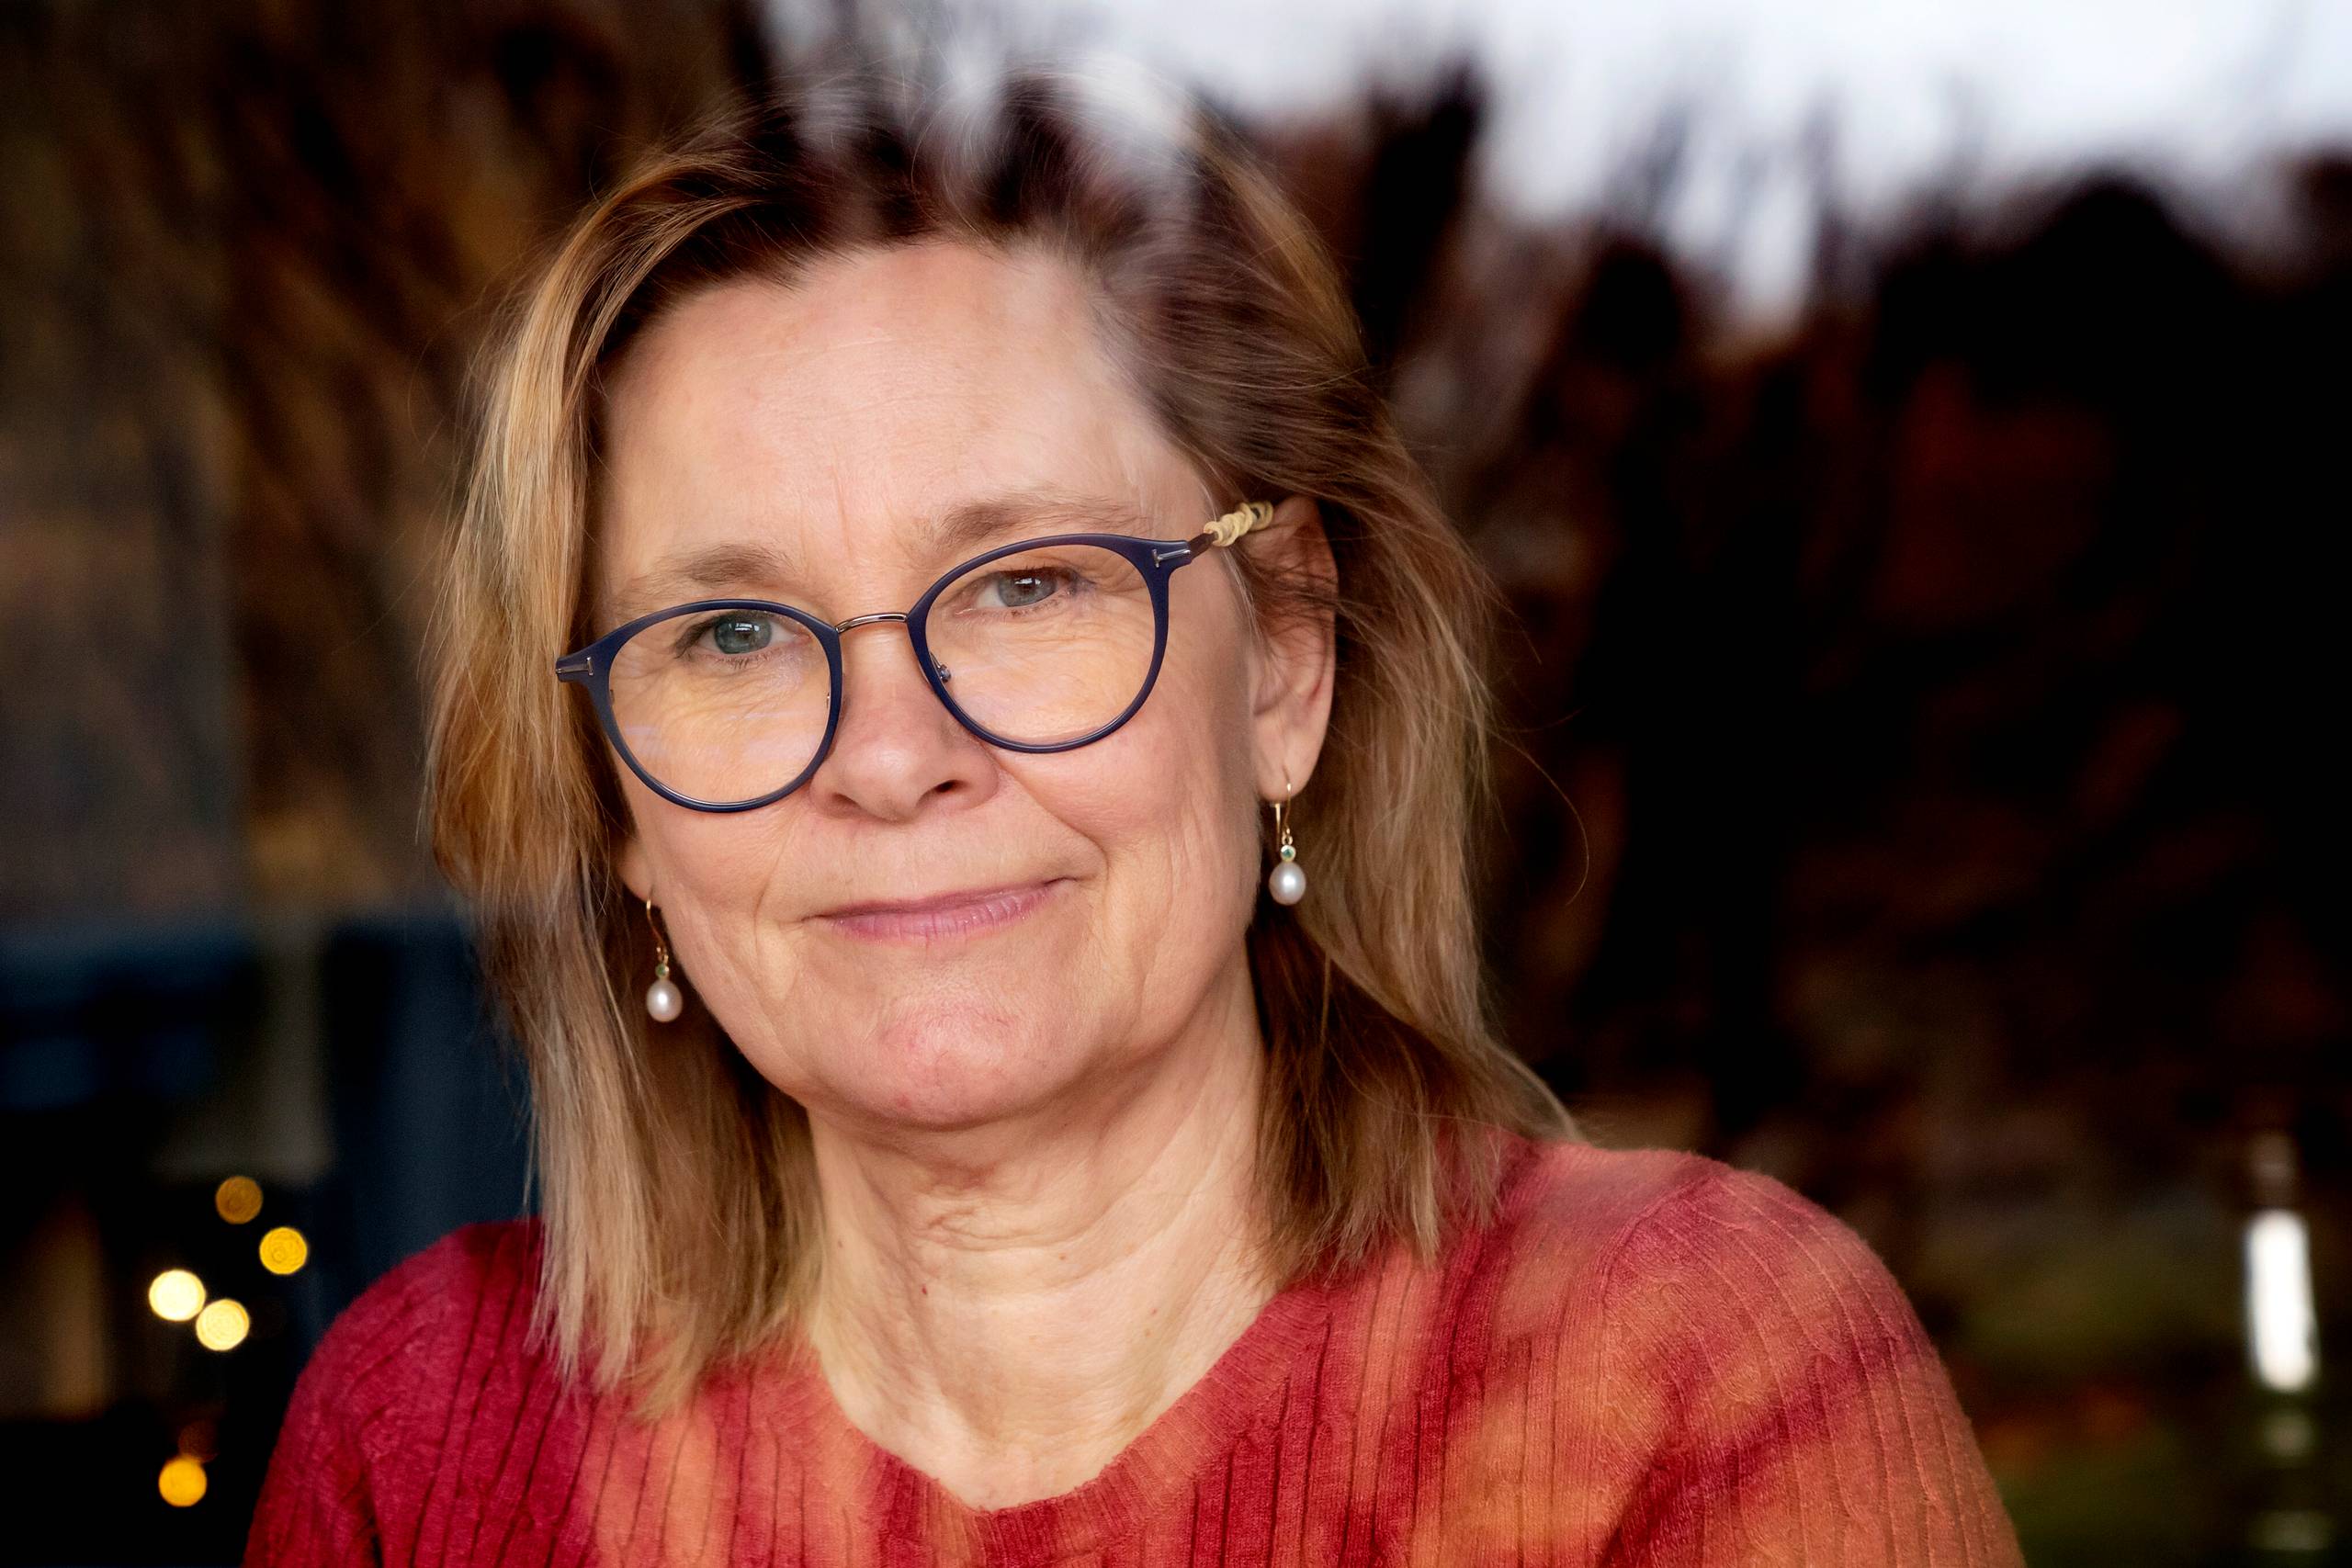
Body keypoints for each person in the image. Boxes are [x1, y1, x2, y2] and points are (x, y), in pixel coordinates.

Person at [246, 61, 2023, 1567]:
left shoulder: (1694, 1376)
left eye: (1029, 587)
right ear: (620, 804)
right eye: (733, 634)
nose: (891, 758)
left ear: (1285, 662)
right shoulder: (427, 1444)